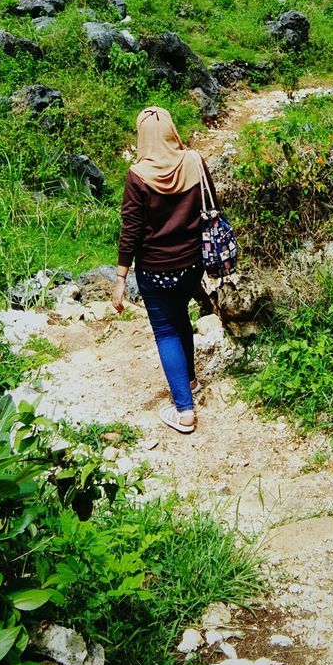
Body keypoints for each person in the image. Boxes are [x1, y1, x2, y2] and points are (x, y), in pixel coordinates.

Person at [111, 105, 218, 435]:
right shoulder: (195, 162)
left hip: (155, 269)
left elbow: (132, 230)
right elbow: (212, 204)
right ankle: (190, 380)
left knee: (166, 331)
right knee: (181, 318)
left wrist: (119, 278)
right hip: (191, 264)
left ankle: (184, 411)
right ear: (171, 131)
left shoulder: (138, 176)